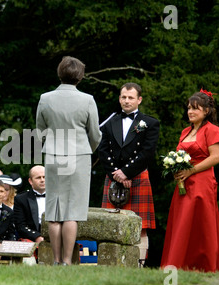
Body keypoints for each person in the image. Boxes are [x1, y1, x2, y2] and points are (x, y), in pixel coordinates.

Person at [36, 56, 101, 265]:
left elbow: (40, 130)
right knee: (72, 210)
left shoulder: (45, 98)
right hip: (79, 155)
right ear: (80, 76)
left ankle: (55, 260)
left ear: (59, 73)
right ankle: (67, 261)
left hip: (54, 155)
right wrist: (86, 150)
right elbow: (95, 134)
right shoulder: (87, 99)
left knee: (54, 210)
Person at [161, 89, 219, 273]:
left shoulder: (213, 130)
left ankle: (204, 267)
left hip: (202, 184)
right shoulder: (184, 132)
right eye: (189, 108)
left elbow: (215, 158)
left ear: (206, 111)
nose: (190, 112)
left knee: (201, 225)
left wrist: (191, 171)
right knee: (181, 223)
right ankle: (176, 266)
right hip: (184, 184)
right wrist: (176, 170)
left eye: (195, 108)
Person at [98, 82, 160, 266]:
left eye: (131, 97)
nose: (126, 101)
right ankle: (109, 263)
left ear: (139, 99)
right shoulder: (109, 122)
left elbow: (147, 153)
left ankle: (138, 264)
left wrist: (126, 173)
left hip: (137, 177)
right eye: (123, 97)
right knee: (109, 224)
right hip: (113, 178)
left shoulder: (149, 123)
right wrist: (115, 175)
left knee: (140, 227)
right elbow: (103, 151)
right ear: (119, 98)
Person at [13, 165, 45, 244]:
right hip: (32, 238)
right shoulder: (21, 199)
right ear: (30, 181)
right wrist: (37, 236)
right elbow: (20, 226)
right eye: (38, 178)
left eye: (44, 177)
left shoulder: (58, 197)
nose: (42, 180)